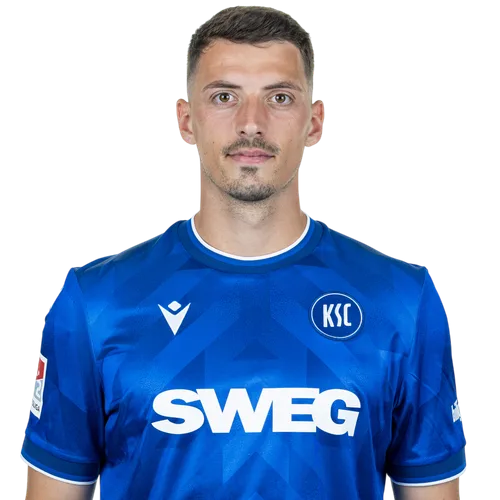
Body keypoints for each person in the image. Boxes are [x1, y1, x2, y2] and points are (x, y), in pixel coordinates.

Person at [19, 5, 467, 500]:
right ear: (186, 121)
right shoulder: (95, 304)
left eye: (279, 97)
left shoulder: (402, 300)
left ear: (315, 122)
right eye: (224, 96)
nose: (251, 123)